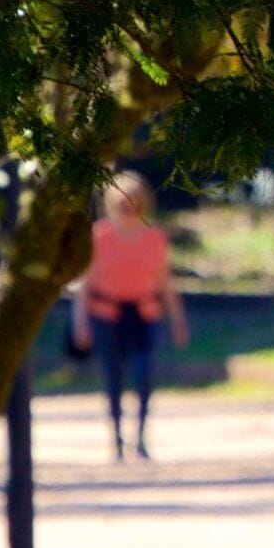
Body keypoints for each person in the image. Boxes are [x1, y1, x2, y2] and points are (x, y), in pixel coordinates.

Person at [73, 170, 190, 462]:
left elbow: (165, 283)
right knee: (113, 377)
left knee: (144, 373)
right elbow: (84, 287)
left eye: (136, 201)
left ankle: (140, 436)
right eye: (124, 202)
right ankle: (116, 438)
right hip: (107, 316)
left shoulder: (155, 237)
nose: (130, 207)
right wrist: (81, 324)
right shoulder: (98, 237)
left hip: (145, 315)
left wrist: (178, 321)